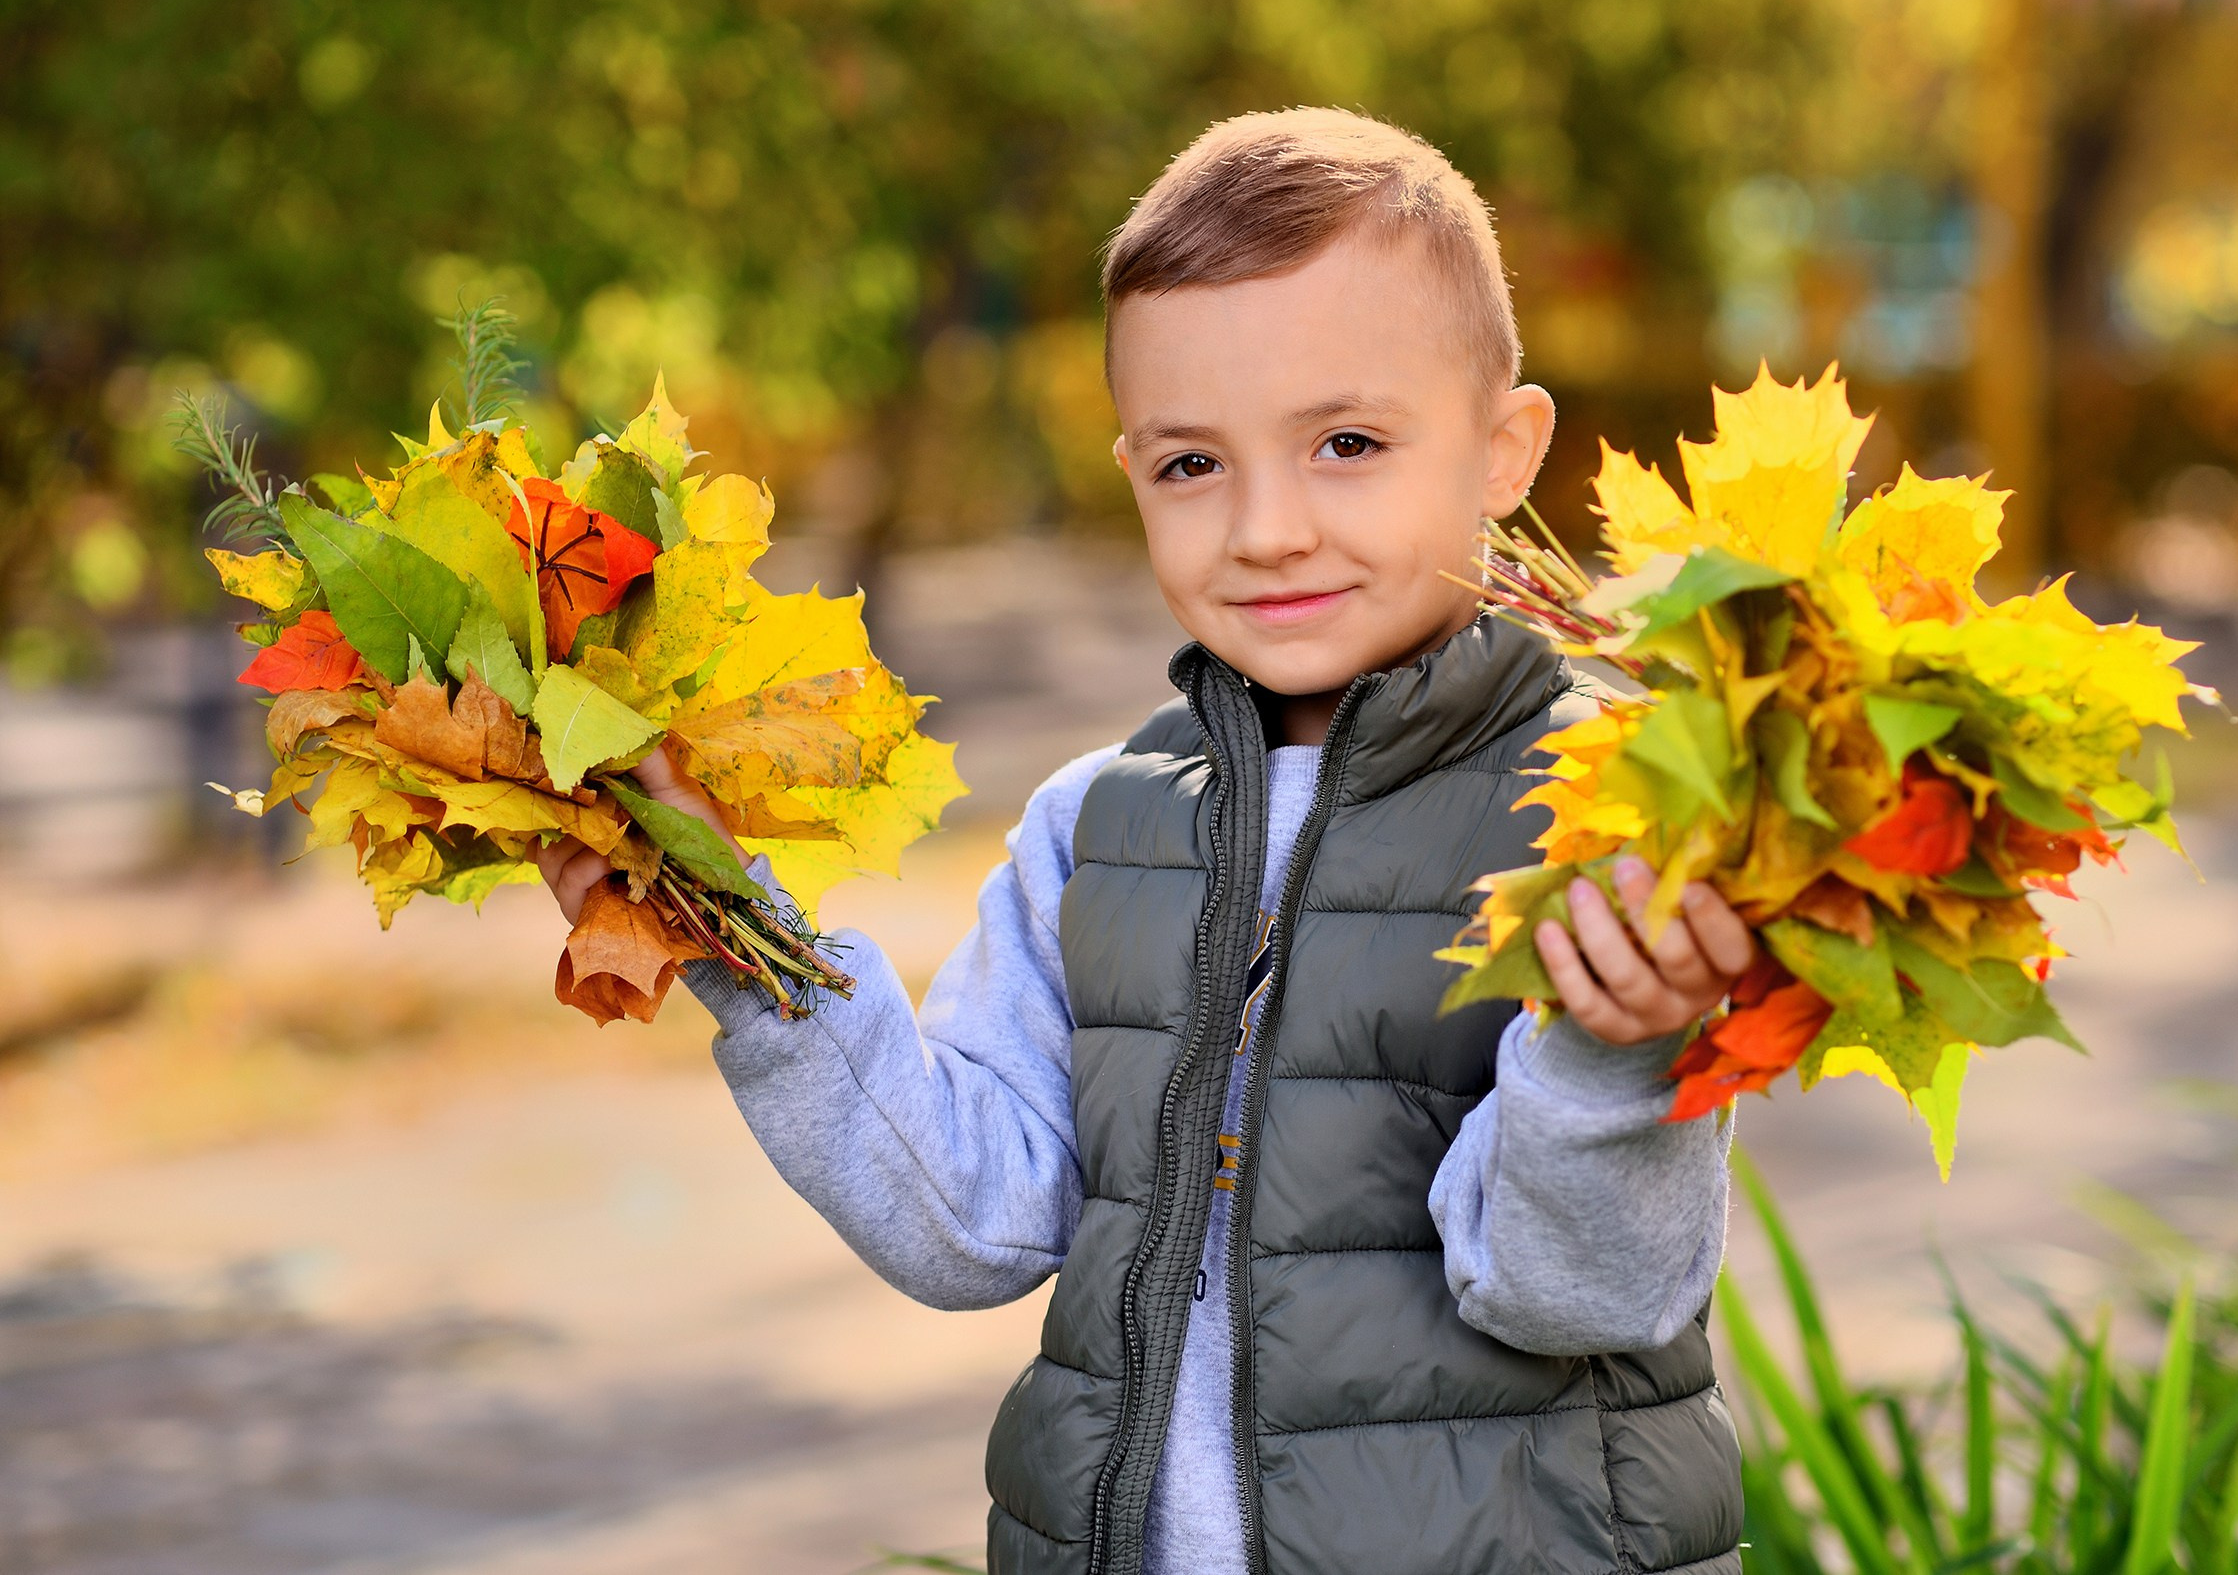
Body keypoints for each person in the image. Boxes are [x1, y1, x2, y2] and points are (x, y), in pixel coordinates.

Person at [537, 108, 1754, 1575]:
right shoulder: (1095, 827)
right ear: (1131, 471)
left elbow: (1579, 1296)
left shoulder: (1606, 803)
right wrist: (729, 923)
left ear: (1505, 452)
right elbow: (971, 1220)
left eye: (1348, 444)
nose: (1266, 528)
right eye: (1192, 465)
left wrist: (1617, 1055)